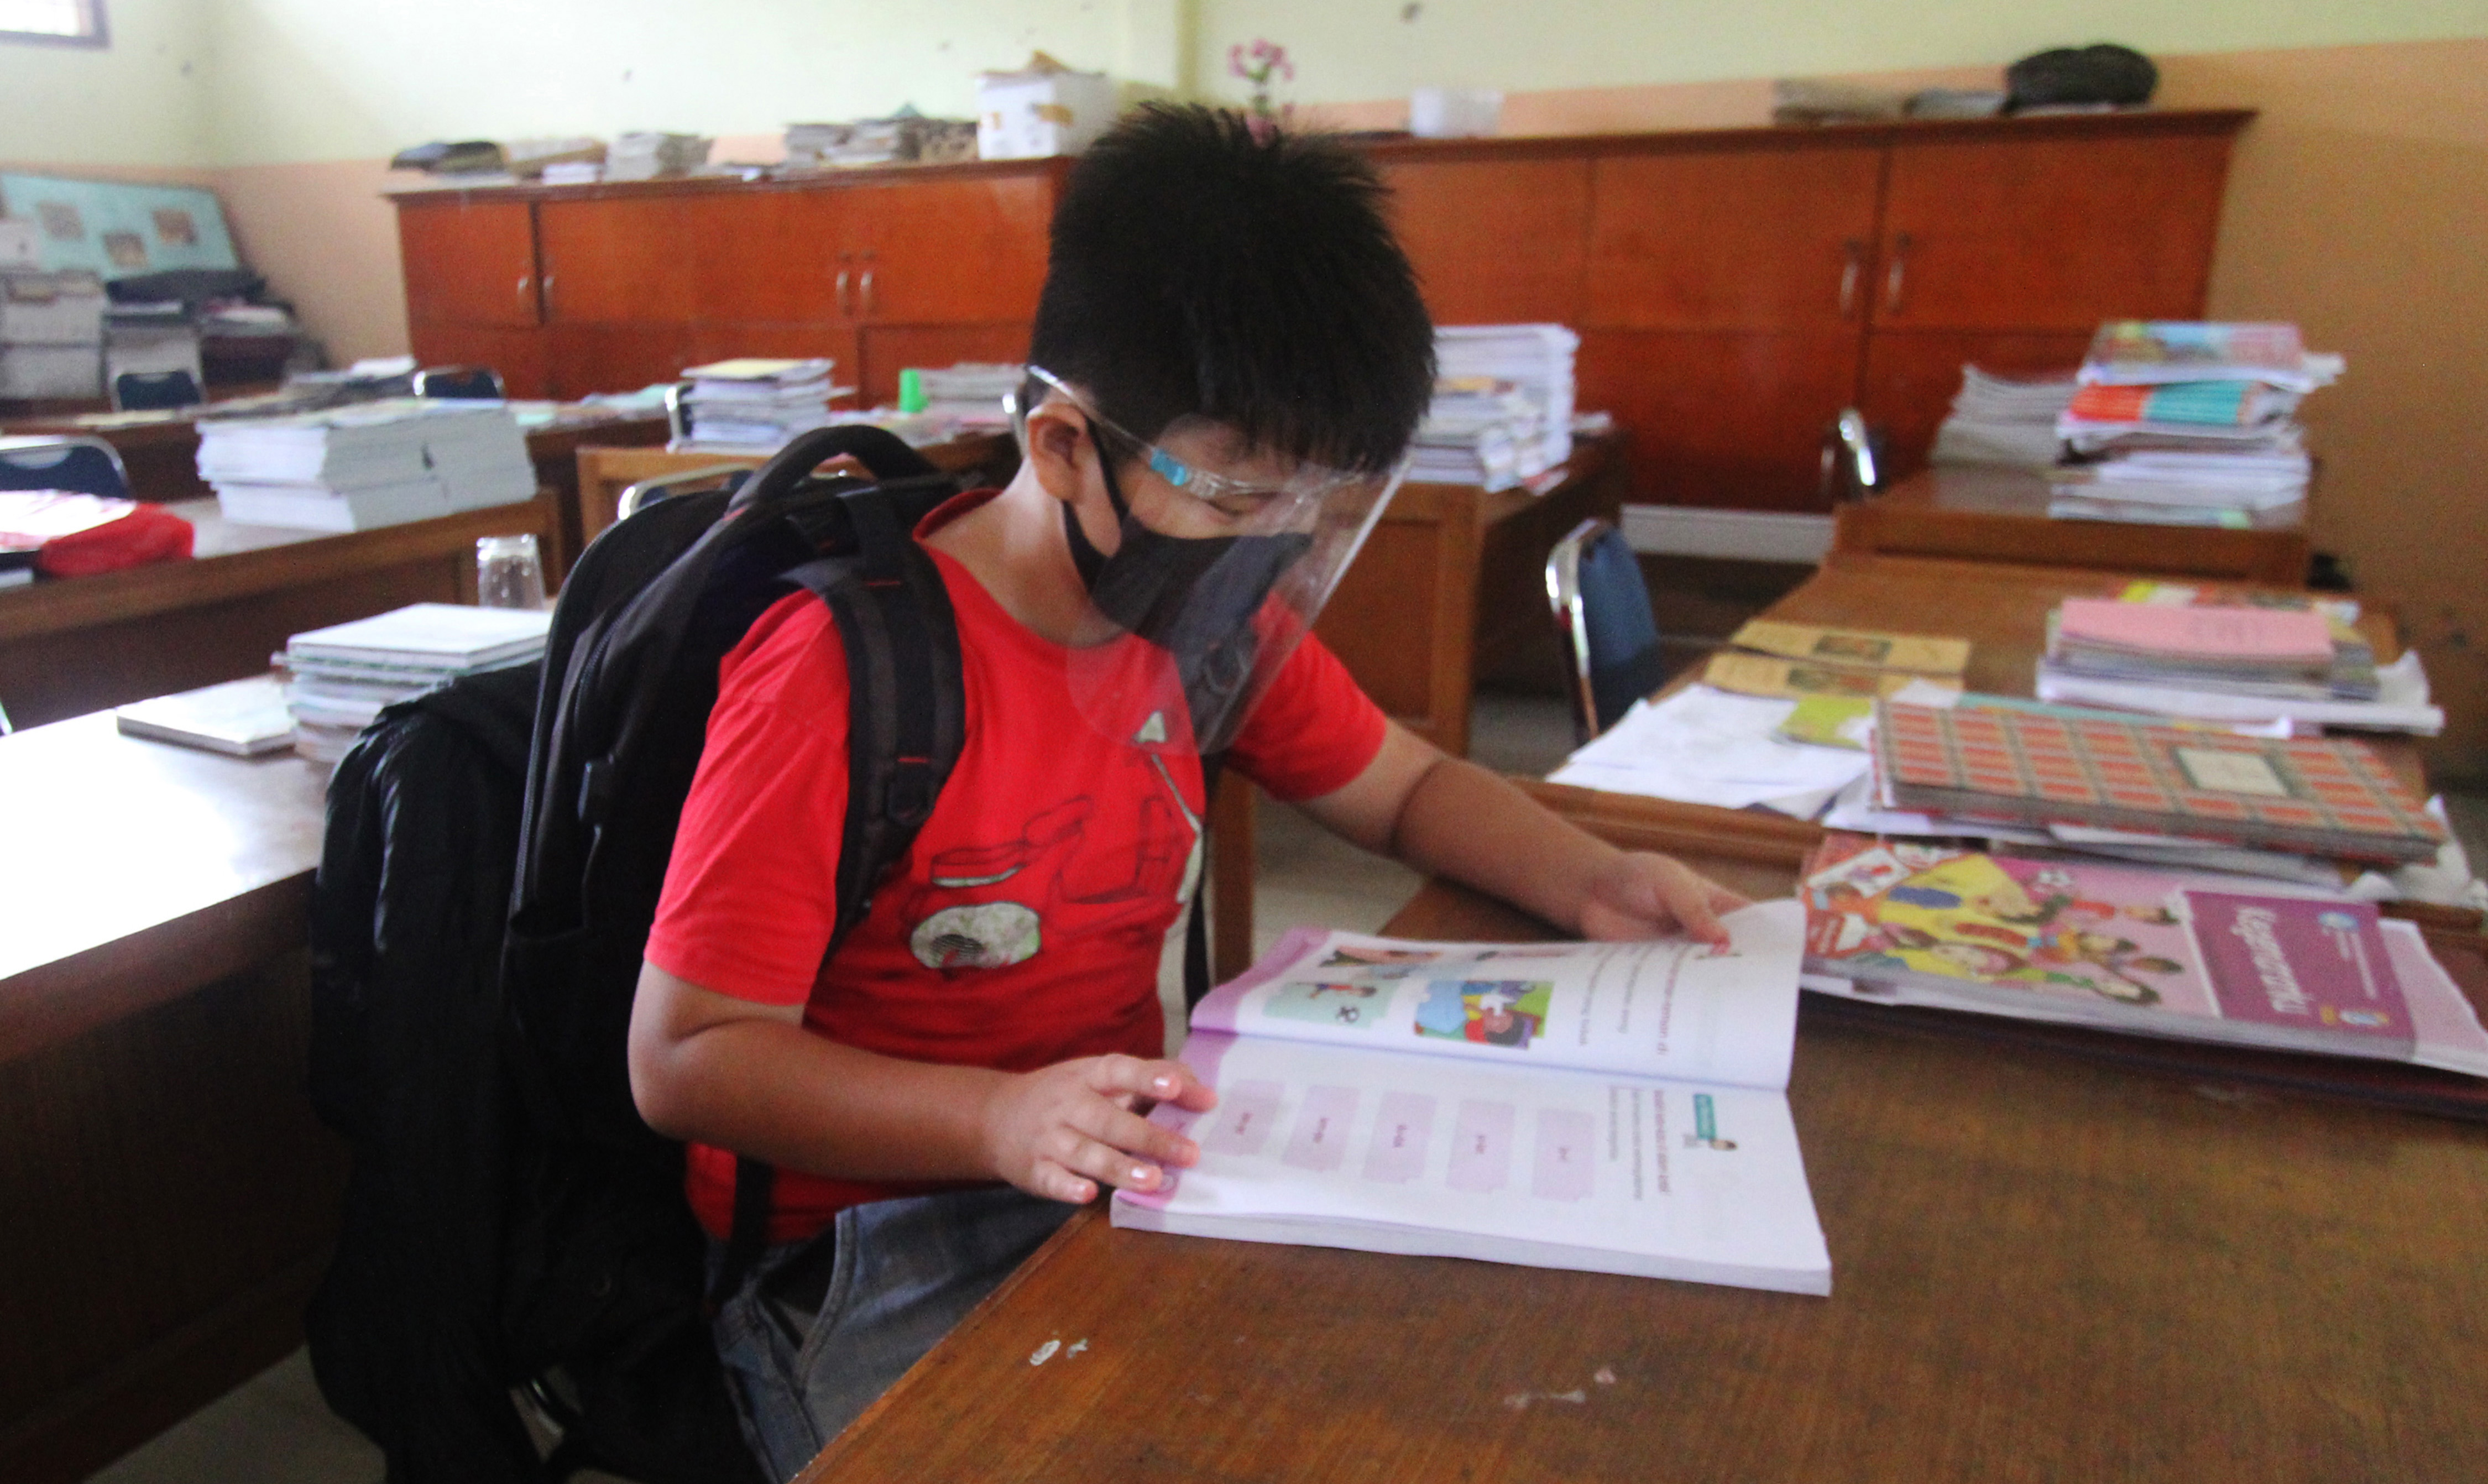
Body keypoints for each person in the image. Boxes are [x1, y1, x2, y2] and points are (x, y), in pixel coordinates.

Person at [626, 104, 1748, 1478]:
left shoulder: (1204, 625)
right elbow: (686, 1057)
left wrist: (1591, 878)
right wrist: (996, 1118)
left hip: (1106, 1174)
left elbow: (1404, 789)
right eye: (1229, 499)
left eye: (1301, 504)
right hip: (863, 1239)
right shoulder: (841, 671)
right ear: (1061, 446)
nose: (1264, 543)